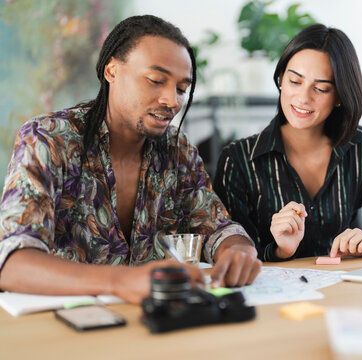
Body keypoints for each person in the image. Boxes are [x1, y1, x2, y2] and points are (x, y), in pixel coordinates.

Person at [0, 15, 261, 304]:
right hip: (67, 328)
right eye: (156, 80)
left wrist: (238, 250)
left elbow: (218, 228)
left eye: (181, 89)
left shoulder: (179, 150)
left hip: (156, 326)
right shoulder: (48, 139)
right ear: (111, 70)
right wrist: (121, 282)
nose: (171, 100)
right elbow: (12, 263)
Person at [214, 24, 362, 261]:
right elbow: (226, 251)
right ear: (281, 79)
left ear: (340, 96)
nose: (303, 98)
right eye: (294, 81)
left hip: (346, 291)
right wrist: (279, 250)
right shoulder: (238, 160)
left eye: (320, 88)